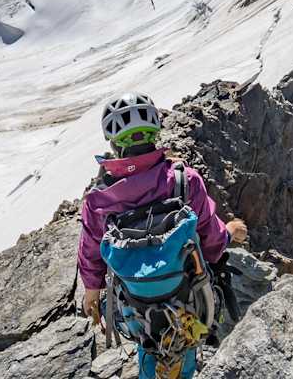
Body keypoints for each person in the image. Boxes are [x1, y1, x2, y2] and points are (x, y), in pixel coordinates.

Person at [78, 92, 248, 379]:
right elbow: (212, 243)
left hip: (134, 304)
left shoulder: (99, 200)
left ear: (114, 143)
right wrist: (231, 232)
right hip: (184, 297)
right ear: (155, 133)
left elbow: (91, 251)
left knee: (148, 334)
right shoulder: (184, 180)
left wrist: (91, 292)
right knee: (183, 338)